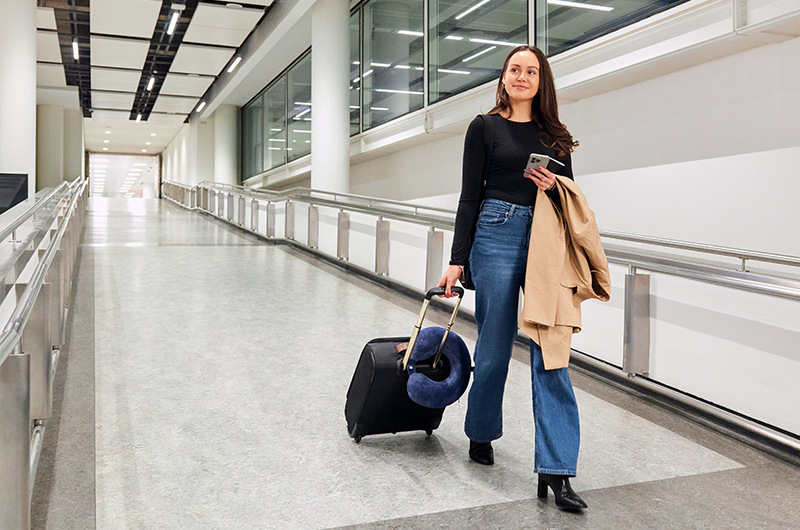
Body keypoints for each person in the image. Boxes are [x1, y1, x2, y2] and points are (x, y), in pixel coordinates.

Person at [437, 45, 588, 511]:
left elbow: (571, 199)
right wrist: (457, 259)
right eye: (515, 69)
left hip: (545, 239)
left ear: (542, 82)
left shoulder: (555, 135)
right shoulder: (484, 127)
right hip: (495, 233)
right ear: (503, 78)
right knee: (494, 346)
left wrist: (554, 187)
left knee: (551, 351)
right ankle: (481, 431)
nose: (522, 77)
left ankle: (557, 470)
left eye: (531, 71)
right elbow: (469, 196)